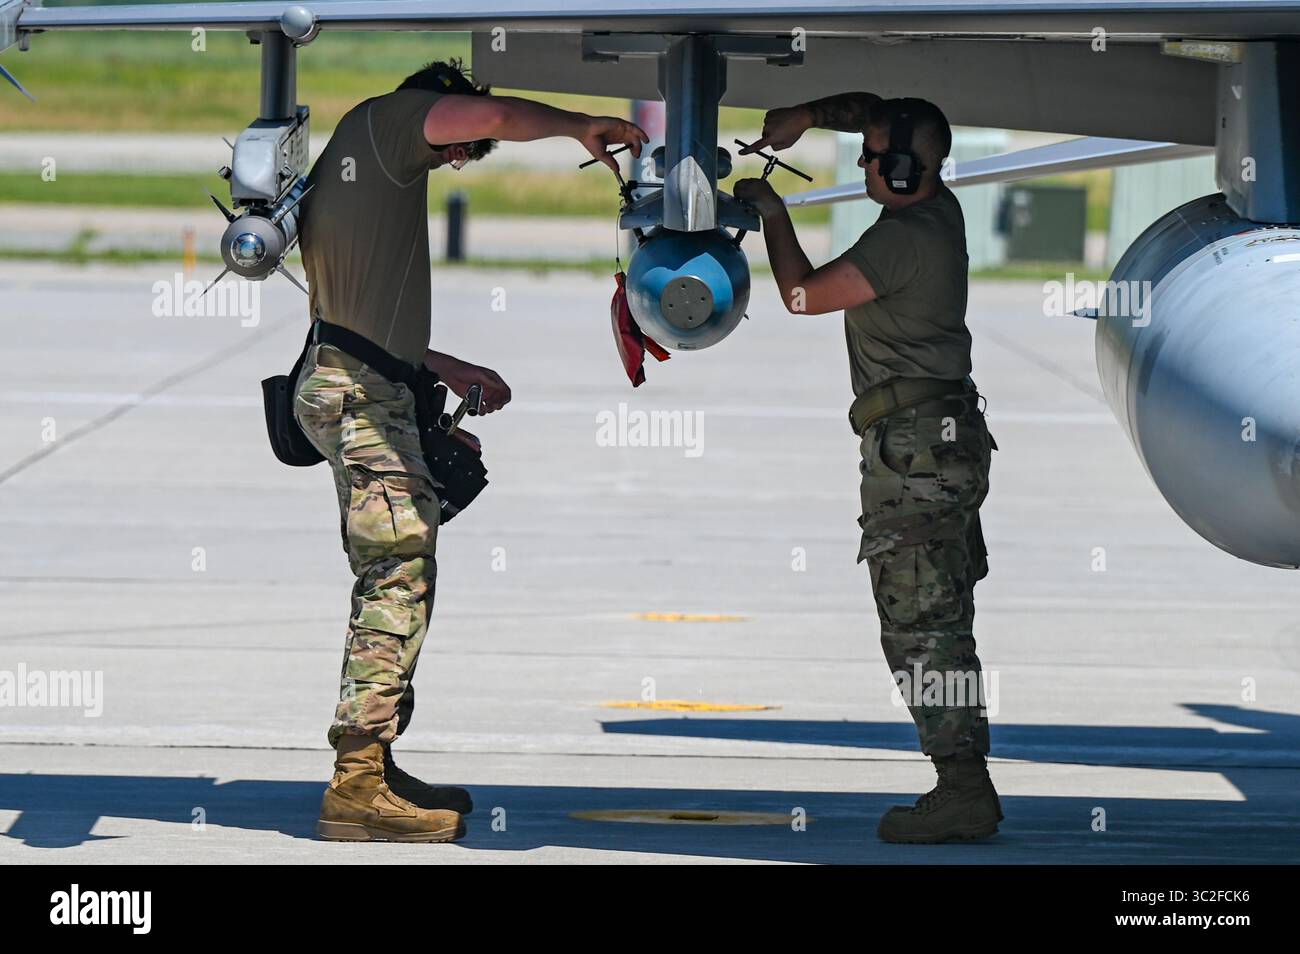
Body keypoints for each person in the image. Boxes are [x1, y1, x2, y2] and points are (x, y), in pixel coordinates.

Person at [294, 58, 647, 842]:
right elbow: (486, 119)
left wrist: (436, 365)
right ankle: (355, 783)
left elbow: (355, 303)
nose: (457, 161)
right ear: (439, 105)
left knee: (404, 565)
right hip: (359, 392)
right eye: (455, 148)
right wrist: (577, 127)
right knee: (398, 569)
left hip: (362, 376)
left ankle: (375, 765)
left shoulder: (372, 151)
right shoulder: (389, 124)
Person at [735, 94, 1001, 843]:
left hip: (915, 451)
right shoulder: (935, 207)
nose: (862, 163)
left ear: (907, 167)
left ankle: (961, 788)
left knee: (921, 623)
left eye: (874, 155)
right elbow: (882, 110)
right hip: (938, 441)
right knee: (942, 616)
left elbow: (800, 296)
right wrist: (806, 117)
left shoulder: (904, 239)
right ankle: (964, 779)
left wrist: (772, 214)